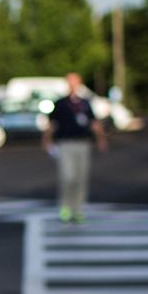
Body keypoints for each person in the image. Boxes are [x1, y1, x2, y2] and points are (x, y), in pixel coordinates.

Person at [42, 71, 108, 223]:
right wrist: (47, 141)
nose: (72, 84)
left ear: (79, 83)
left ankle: (78, 209)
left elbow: (94, 123)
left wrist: (101, 139)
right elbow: (51, 124)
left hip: (83, 143)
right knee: (67, 176)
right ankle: (65, 207)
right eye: (70, 81)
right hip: (65, 143)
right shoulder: (60, 103)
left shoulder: (85, 103)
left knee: (81, 177)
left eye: (75, 81)